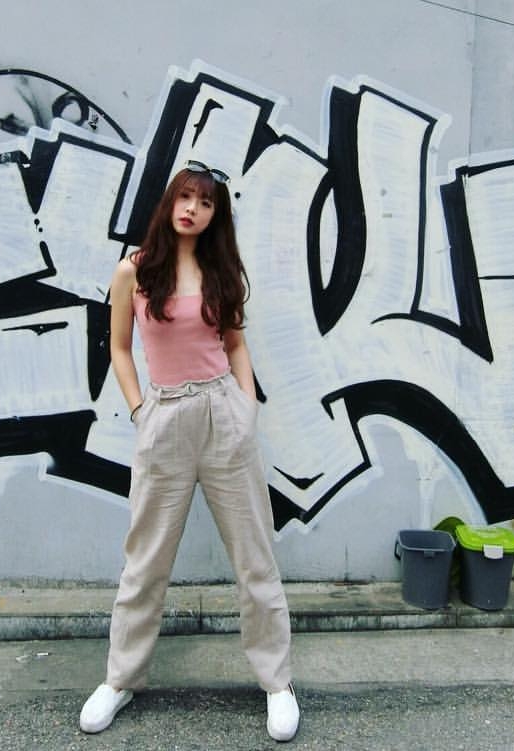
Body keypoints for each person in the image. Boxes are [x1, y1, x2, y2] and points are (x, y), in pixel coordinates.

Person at [79, 161, 299, 742]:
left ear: (214, 215)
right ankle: (120, 679)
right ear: (169, 203)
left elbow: (235, 343)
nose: (192, 209)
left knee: (255, 557)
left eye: (204, 202)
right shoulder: (133, 270)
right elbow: (118, 347)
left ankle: (277, 684)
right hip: (165, 417)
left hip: (223, 415)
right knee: (145, 561)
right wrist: (140, 410)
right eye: (185, 197)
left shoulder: (220, 270)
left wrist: (246, 409)